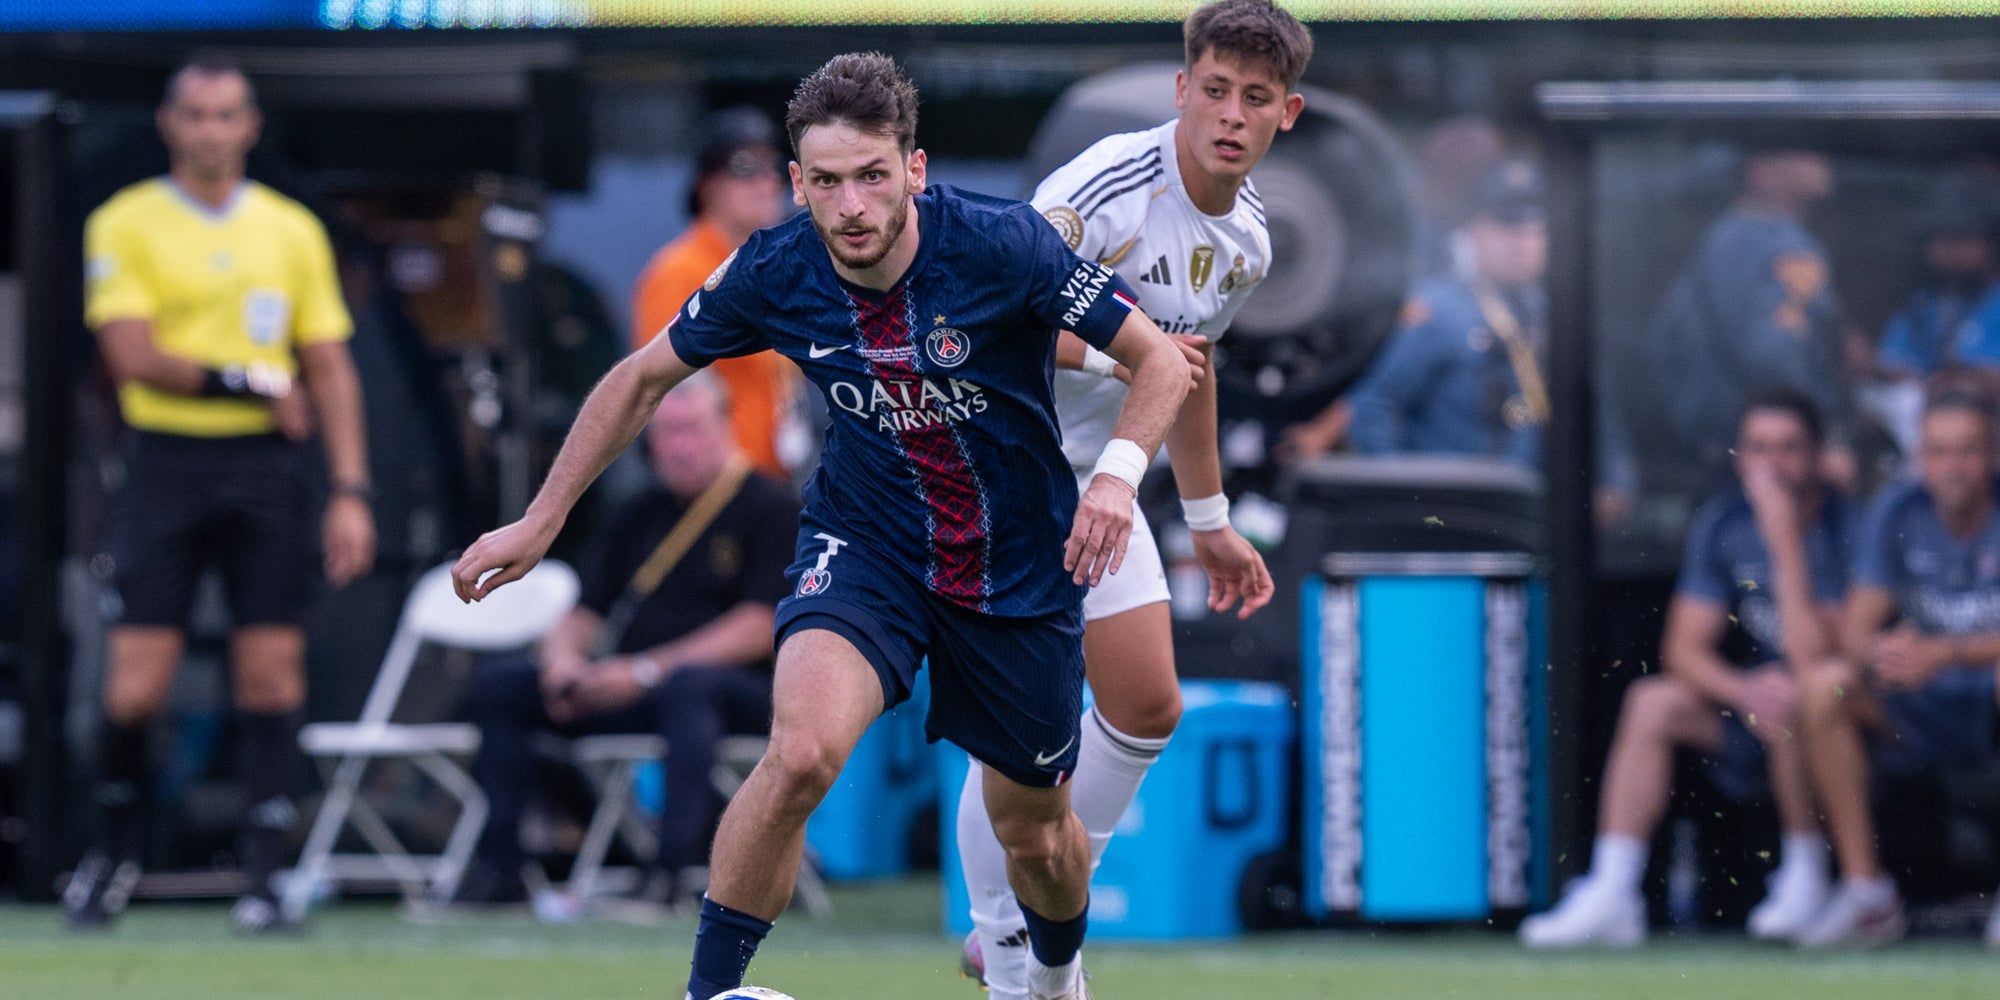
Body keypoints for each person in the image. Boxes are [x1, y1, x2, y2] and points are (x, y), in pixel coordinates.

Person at [450, 52, 1191, 1000]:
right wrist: (540, 520)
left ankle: (1050, 977)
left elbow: (1159, 362)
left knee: (1036, 839)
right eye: (828, 182)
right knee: (799, 753)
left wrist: (1118, 481)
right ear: (798, 185)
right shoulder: (774, 267)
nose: (851, 205)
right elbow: (640, 378)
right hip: (866, 546)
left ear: (913, 171)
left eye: (873, 176)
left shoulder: (1002, 245)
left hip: (1014, 567)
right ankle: (710, 992)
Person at [952, 2, 1300, 994]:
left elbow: (1189, 369)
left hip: (1101, 482)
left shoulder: (1249, 243)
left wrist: (1211, 523)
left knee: (1147, 707)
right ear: (1181, 90)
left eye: (1257, 98)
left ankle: (1044, 894)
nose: (1232, 113)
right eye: (1216, 90)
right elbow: (987, 312)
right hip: (1001, 472)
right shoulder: (1105, 186)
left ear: (1288, 113)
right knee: (1024, 733)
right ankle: (1013, 946)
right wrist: (1130, 343)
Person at [66, 55, 375, 933]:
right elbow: (131, 353)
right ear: (170, 124)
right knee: (135, 687)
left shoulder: (288, 230)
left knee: (270, 676)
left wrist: (351, 488)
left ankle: (264, 879)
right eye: (194, 115)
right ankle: (110, 856)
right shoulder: (126, 222)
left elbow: (328, 366)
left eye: (226, 115)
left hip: (267, 473)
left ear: (250, 126)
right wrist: (246, 379)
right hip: (163, 463)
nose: (210, 131)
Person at [453, 374, 799, 909]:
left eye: (691, 430)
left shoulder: (771, 508)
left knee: (692, 688)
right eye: (665, 433)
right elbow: (586, 610)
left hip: (731, 693)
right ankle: (504, 866)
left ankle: (673, 872)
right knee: (503, 686)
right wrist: (564, 663)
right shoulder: (638, 510)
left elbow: (758, 627)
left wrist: (643, 672)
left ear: (724, 426)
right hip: (632, 685)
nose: (679, 447)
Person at [1520, 389, 1849, 947]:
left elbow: (1817, 656)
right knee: (1653, 700)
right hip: (1754, 714)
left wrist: (1784, 541)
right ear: (1740, 457)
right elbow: (1682, 649)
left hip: (1831, 721)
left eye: (1788, 448)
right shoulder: (1723, 522)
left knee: (1802, 692)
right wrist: (1742, 690)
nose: (1772, 465)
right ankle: (1613, 889)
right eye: (1758, 448)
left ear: (1818, 455)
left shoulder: (1849, 524)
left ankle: (1806, 875)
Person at [1793, 390, 2000, 948]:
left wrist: (1947, 652)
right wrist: (1887, 654)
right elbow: (1858, 629)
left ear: (1993, 453)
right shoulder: (1897, 508)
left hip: (1989, 701)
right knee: (1824, 686)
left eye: (1967, 451)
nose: (1952, 467)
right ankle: (1867, 896)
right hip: (1923, 709)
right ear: (1920, 457)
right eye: (1938, 452)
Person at [1639, 147, 1851, 493]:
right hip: (1775, 460)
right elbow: (1776, 356)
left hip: (1721, 450)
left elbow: (1663, 344)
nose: (1820, 155)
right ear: (1762, 173)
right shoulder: (1778, 244)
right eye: (1803, 147)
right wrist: (1824, 439)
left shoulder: (1723, 238)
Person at [1344, 159, 1550, 467]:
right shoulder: (1436, 309)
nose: (1521, 244)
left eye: (1534, 230)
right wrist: (1407, 496)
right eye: (1506, 228)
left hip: (1530, 498)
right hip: (1454, 504)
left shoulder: (1550, 313)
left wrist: (1611, 477)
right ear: (1474, 231)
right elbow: (1373, 406)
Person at [633, 107, 800, 479]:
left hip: (778, 491)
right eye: (744, 167)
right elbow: (668, 398)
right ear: (706, 187)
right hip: (715, 494)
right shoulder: (678, 271)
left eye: (773, 165)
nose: (767, 180)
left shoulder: (776, 269)